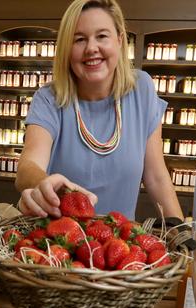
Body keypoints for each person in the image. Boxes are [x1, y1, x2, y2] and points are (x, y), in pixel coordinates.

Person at [15, 0, 183, 221]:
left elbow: (156, 177)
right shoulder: (49, 99)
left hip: (122, 246)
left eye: (102, 36)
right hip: (62, 246)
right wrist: (43, 183)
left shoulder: (141, 89)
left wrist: (181, 234)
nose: (91, 48)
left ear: (120, 40)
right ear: (67, 48)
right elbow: (28, 166)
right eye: (79, 39)